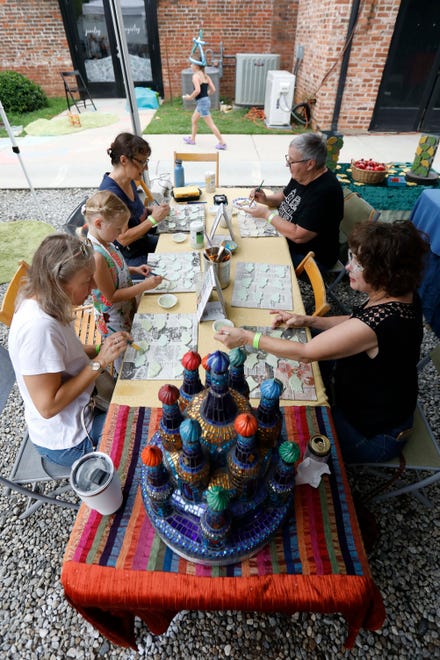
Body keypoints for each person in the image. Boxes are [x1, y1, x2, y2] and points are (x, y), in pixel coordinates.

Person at [214, 220, 429, 464]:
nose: (348, 267)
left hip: (372, 433)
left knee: (278, 438)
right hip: (372, 401)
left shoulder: (383, 322)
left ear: (385, 273)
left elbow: (306, 352)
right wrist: (305, 319)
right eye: (351, 258)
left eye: (358, 264)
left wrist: (247, 337)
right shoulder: (401, 295)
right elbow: (355, 321)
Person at [8, 234, 130, 468]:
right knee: (141, 428)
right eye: (87, 281)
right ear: (58, 282)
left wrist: (101, 348)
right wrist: (100, 362)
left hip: (84, 406)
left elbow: (64, 353)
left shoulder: (45, 298)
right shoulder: (39, 329)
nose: (93, 287)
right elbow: (48, 406)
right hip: (70, 438)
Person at [84, 191, 163, 370]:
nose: (122, 233)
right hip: (113, 319)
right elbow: (111, 295)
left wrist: (133, 269)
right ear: (99, 223)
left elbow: (113, 268)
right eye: (118, 229)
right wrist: (145, 286)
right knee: (123, 351)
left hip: (124, 309)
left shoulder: (106, 240)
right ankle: (121, 374)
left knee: (132, 339)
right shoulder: (96, 256)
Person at [247, 133, 343, 270]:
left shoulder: (325, 192)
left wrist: (266, 214)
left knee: (255, 255)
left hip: (310, 256)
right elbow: (284, 197)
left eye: (291, 161)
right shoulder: (302, 174)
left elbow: (298, 235)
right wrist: (265, 199)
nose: (287, 164)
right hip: (285, 235)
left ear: (310, 164)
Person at [99, 132, 170, 269]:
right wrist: (153, 219)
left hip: (143, 242)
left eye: (146, 161)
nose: (146, 168)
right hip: (131, 257)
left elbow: (134, 212)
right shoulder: (110, 194)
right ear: (124, 160)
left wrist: (152, 210)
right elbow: (123, 238)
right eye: (142, 162)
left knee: (178, 247)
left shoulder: (129, 179)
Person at [182, 62, 227, 150]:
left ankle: (222, 143)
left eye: (192, 64)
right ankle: (192, 139)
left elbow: (197, 90)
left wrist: (190, 97)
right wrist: (205, 96)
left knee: (211, 124)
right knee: (194, 120)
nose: (190, 66)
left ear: (196, 66)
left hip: (202, 103)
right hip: (205, 101)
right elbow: (213, 89)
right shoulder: (205, 75)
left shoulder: (195, 76)